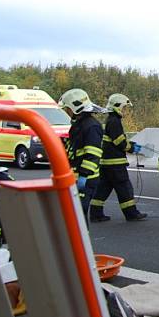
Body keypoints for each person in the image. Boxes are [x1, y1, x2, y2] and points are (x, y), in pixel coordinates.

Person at [90, 93, 147, 222]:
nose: (125, 110)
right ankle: (131, 214)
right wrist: (132, 148)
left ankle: (95, 214)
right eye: (124, 107)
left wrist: (130, 144)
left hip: (106, 163)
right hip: (115, 164)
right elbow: (119, 142)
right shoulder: (115, 121)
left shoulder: (110, 120)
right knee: (124, 188)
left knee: (103, 189)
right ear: (118, 106)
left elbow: (114, 140)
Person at [58, 88, 106, 219]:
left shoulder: (91, 126)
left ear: (75, 108)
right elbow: (75, 148)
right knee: (75, 215)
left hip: (86, 179)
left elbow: (93, 153)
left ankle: (81, 239)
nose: (67, 112)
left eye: (67, 109)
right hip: (77, 177)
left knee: (78, 214)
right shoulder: (79, 125)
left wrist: (84, 176)